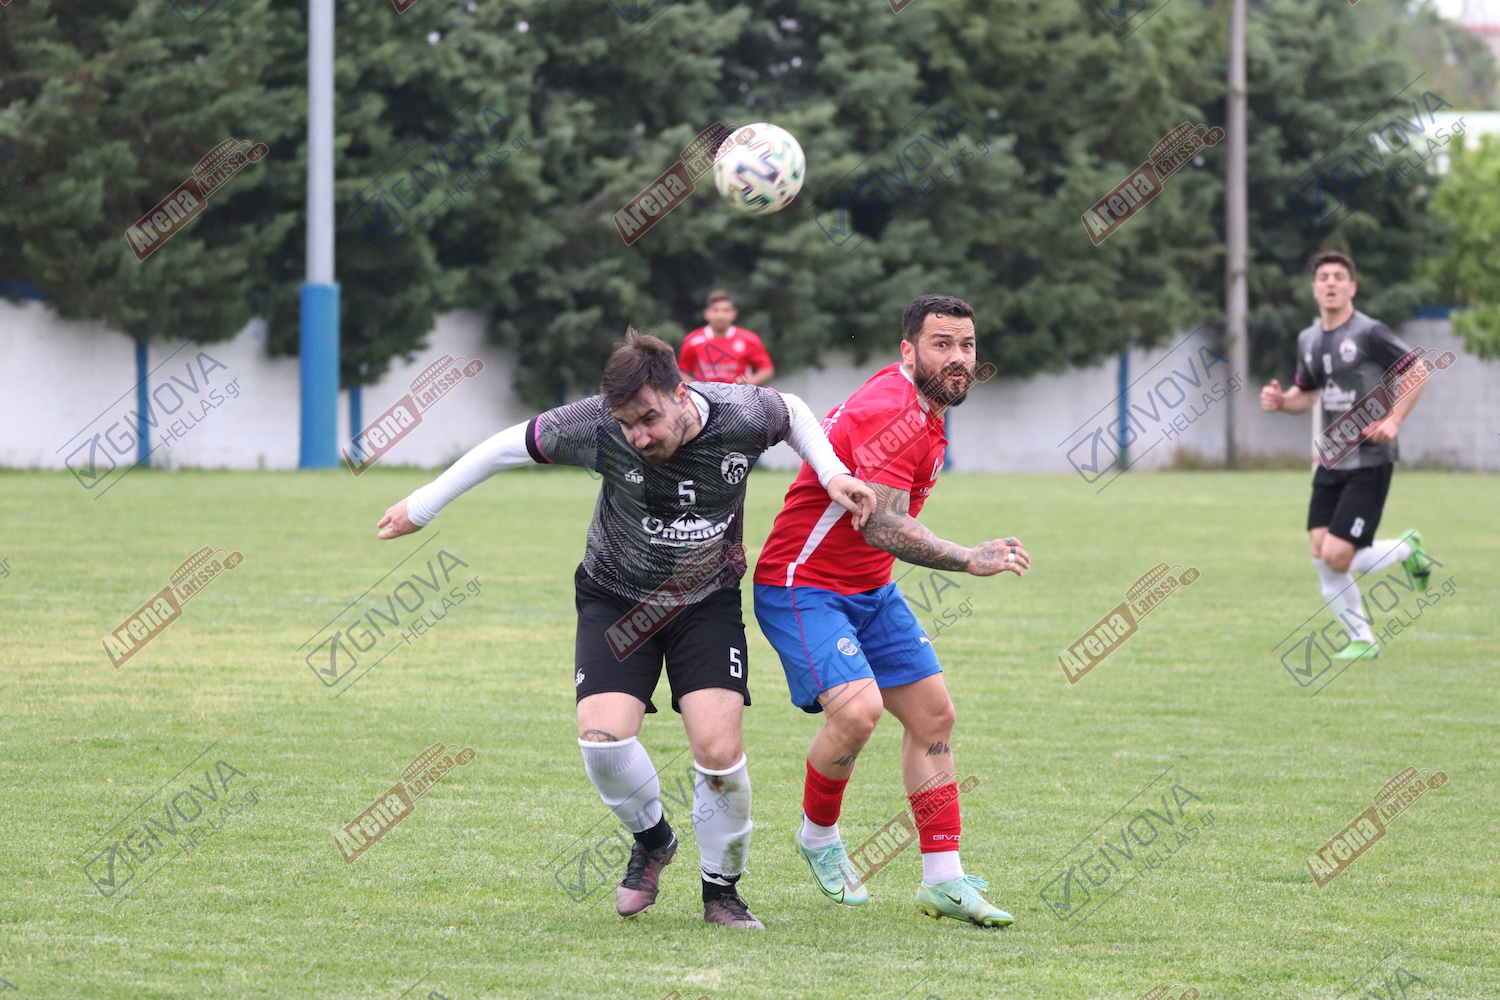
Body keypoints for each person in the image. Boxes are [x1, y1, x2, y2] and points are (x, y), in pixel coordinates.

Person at [377, 330, 874, 930]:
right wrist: (424, 505)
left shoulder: (740, 413)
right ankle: (654, 840)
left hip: (705, 602)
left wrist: (831, 473)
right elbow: (506, 446)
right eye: (626, 424)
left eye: (648, 419)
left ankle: (721, 892)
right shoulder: (595, 426)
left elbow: (791, 411)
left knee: (719, 754)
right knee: (603, 744)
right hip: (616, 599)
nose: (637, 436)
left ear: (681, 393)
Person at [751, 294, 1028, 928]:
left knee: (934, 717)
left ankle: (944, 879)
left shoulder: (926, 406)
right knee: (858, 713)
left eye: (967, 346)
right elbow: (880, 524)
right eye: (941, 344)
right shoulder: (891, 409)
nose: (958, 358)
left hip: (870, 590)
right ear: (908, 349)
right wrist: (967, 557)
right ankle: (818, 835)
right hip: (802, 584)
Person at [1260, 250, 1434, 661]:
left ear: (1352, 287)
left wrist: (1393, 419)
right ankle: (1362, 640)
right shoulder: (1308, 339)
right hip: (1330, 458)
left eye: (1339, 277)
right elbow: (1307, 394)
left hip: (1370, 458)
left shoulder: (1370, 332)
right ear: (1314, 288)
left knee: (1338, 555)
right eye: (1324, 277)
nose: (1331, 283)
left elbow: (1418, 370)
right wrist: (1281, 402)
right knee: (1321, 552)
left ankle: (1406, 548)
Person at [678, 291, 775, 385]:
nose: (720, 316)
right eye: (715, 310)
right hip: (705, 395)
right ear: (706, 313)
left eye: (726, 310)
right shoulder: (692, 340)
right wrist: (694, 387)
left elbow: (766, 369)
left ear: (734, 314)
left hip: (738, 395)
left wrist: (751, 381)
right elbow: (682, 371)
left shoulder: (749, 339)